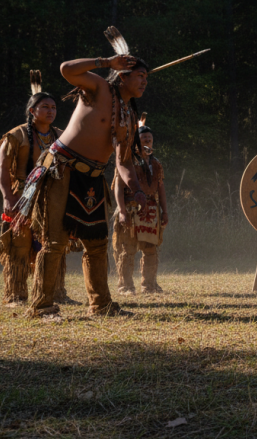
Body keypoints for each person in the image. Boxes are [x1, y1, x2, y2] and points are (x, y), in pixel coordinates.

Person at [16, 43, 149, 319]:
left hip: (93, 177)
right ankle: (41, 306)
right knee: (54, 242)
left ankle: (101, 306)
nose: (144, 82)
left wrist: (136, 189)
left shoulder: (129, 115)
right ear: (123, 75)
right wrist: (106, 61)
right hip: (61, 170)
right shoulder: (99, 88)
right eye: (139, 75)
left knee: (97, 243)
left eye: (146, 77)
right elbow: (66, 69)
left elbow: (123, 161)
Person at [0, 72, 75, 306]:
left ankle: (55, 292)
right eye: (45, 107)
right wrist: (8, 196)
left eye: (54, 107)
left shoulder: (60, 136)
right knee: (19, 243)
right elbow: (2, 167)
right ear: (32, 111)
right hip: (21, 194)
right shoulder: (16, 135)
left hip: (51, 196)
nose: (51, 111)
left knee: (53, 241)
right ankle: (16, 294)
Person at [112, 114, 169, 295]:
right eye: (143, 138)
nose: (147, 141)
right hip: (130, 209)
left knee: (151, 250)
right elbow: (118, 187)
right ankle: (125, 286)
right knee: (127, 250)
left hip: (152, 211)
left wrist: (164, 211)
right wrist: (121, 211)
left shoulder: (156, 164)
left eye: (149, 139)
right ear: (136, 141)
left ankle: (149, 285)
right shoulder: (126, 161)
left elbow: (161, 189)